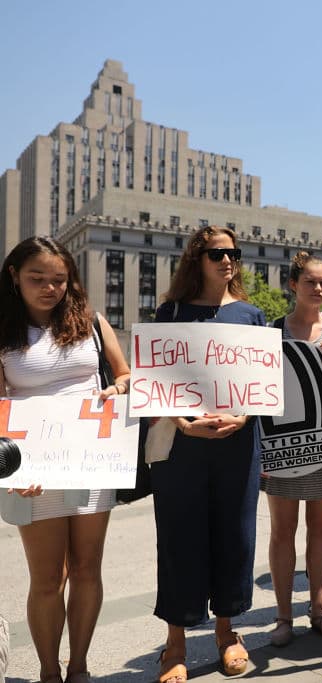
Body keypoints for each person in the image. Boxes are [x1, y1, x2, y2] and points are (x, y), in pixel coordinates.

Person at [0, 236, 131, 683]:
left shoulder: (91, 322)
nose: (49, 288)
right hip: (27, 470)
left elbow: (127, 373)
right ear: (14, 276)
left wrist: (120, 388)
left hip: (91, 459)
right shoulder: (2, 329)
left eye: (59, 279)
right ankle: (48, 672)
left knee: (86, 568)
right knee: (46, 578)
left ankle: (78, 669)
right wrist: (15, 470)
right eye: (37, 278)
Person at [150, 226, 265, 682]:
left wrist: (245, 416)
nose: (227, 260)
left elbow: (263, 388)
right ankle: (174, 643)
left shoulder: (252, 316)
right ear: (196, 258)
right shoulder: (170, 313)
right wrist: (181, 421)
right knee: (180, 538)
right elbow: (154, 380)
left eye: (233, 253)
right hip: (183, 449)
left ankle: (227, 633)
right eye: (217, 252)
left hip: (238, 446)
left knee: (235, 536)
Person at [263, 252, 322, 647]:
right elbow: (260, 395)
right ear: (293, 285)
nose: (318, 289)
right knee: (283, 531)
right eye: (310, 282)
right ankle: (284, 618)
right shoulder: (272, 332)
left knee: (321, 530)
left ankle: (319, 610)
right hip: (285, 445)